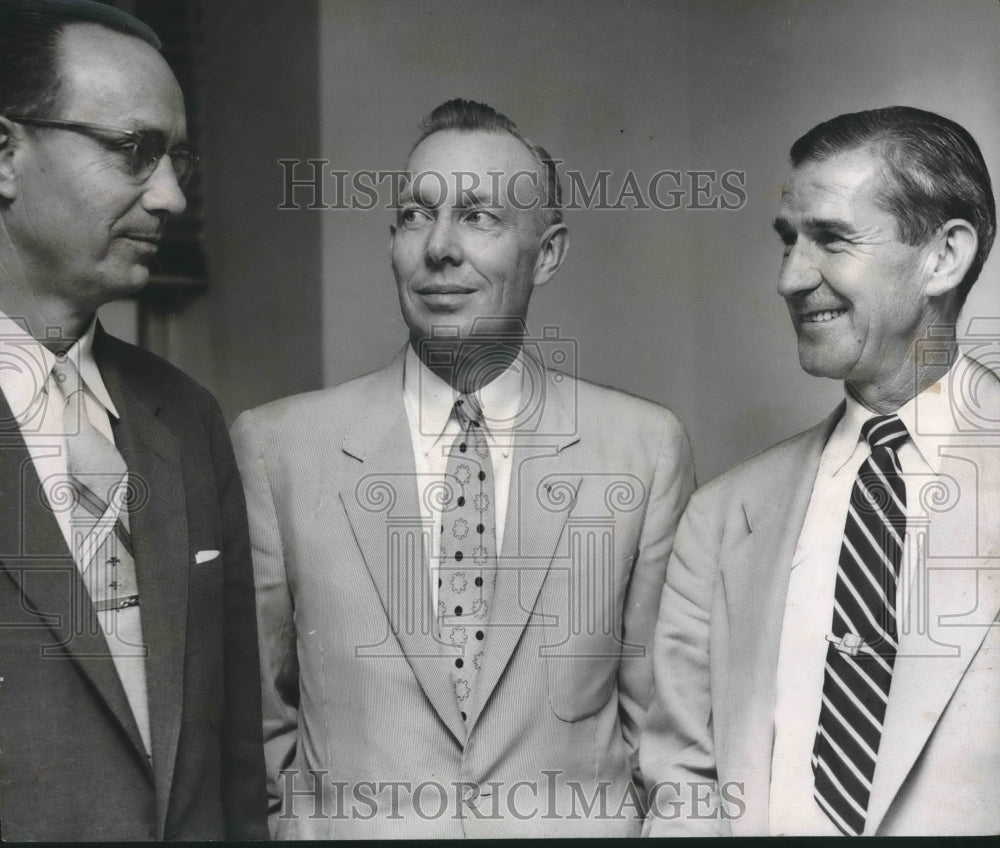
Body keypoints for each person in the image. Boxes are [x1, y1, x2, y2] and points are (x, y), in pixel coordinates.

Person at [233, 98, 695, 837]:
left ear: (546, 253)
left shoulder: (642, 449)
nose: (440, 247)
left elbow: (666, 736)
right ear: (392, 241)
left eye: (479, 217)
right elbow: (255, 730)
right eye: (417, 215)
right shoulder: (278, 447)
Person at [640, 106, 999, 836]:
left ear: (943, 257)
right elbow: (683, 784)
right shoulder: (722, 515)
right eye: (788, 243)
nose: (791, 279)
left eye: (831, 239)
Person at [0, 0, 267, 840]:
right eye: (135, 151)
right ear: (3, 153)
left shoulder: (186, 420)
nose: (173, 196)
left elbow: (234, 769)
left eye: (177, 159)